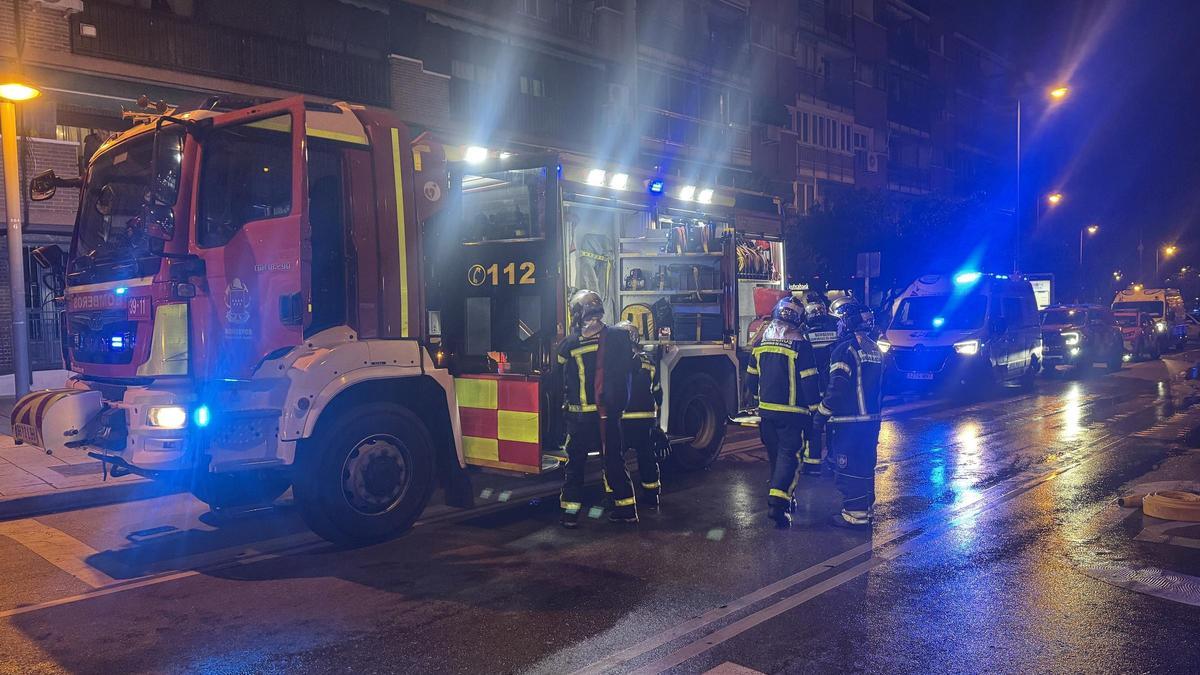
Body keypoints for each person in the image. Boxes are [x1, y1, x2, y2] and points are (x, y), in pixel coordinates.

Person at [558, 289, 638, 528]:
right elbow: (631, 369)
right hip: (608, 414)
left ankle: (570, 514)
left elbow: (558, 377)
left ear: (577, 313)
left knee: (575, 465)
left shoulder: (570, 344)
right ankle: (626, 510)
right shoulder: (618, 337)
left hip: (580, 417)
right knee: (613, 460)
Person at [745, 295, 821, 528]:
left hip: (767, 413)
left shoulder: (761, 343)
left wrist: (760, 400)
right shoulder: (800, 344)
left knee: (776, 458)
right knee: (790, 458)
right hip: (793, 414)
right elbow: (809, 380)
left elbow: (751, 380)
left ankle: (786, 497)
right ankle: (777, 505)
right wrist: (816, 411)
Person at [816, 298, 884, 529]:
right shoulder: (874, 348)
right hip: (871, 421)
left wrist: (821, 416)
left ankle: (854, 516)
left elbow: (837, 387)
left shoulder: (845, 350)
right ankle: (865, 511)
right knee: (865, 466)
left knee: (848, 468)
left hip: (849, 422)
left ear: (847, 323)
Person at [616, 320, 663, 509]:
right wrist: (657, 421)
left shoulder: (616, 363)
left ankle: (618, 499)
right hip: (646, 420)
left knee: (616, 460)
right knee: (647, 457)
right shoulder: (649, 362)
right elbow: (658, 393)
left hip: (623, 419)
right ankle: (652, 496)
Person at [802, 293, 840, 475]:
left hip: (814, 387)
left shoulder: (805, 333)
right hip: (832, 386)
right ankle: (834, 460)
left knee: (814, 425)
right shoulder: (835, 329)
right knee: (833, 425)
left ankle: (812, 464)